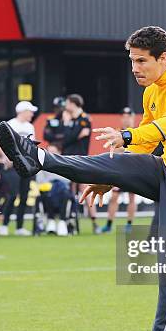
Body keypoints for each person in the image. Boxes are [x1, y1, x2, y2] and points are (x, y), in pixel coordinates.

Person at [0, 25, 166, 331]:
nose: (134, 67)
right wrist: (111, 177)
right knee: (113, 161)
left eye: (141, 61)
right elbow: (144, 145)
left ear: (164, 58)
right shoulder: (152, 90)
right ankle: (38, 159)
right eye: (131, 60)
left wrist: (125, 135)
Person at [0, 101, 38, 237]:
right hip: (13, 166)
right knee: (12, 195)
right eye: (30, 111)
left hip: (26, 166)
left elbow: (32, 146)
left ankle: (19, 227)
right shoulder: (10, 124)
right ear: (22, 111)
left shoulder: (30, 127)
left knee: (24, 196)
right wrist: (6, 157)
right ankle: (4, 225)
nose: (32, 114)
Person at [62, 93, 101, 234]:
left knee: (86, 190)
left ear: (73, 104)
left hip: (81, 159)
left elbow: (71, 137)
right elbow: (66, 139)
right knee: (70, 191)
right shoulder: (67, 119)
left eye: (67, 103)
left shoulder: (85, 119)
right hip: (67, 158)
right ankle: (70, 221)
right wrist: (71, 130)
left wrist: (72, 133)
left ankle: (95, 222)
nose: (65, 106)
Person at [101, 107, 138, 234]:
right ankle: (109, 224)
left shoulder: (137, 132)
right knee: (114, 196)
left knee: (132, 197)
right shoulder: (117, 132)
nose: (126, 118)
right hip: (120, 169)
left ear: (132, 117)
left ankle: (129, 224)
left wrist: (124, 149)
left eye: (128, 115)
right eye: (123, 115)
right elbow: (114, 151)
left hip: (133, 169)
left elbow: (138, 151)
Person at [35, 144, 74, 236]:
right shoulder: (41, 166)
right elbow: (40, 181)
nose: (51, 153)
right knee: (50, 191)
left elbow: (68, 180)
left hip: (62, 192)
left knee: (62, 190)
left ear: (59, 152)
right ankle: (51, 220)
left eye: (54, 151)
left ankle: (62, 222)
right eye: (49, 151)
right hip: (47, 192)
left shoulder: (65, 164)